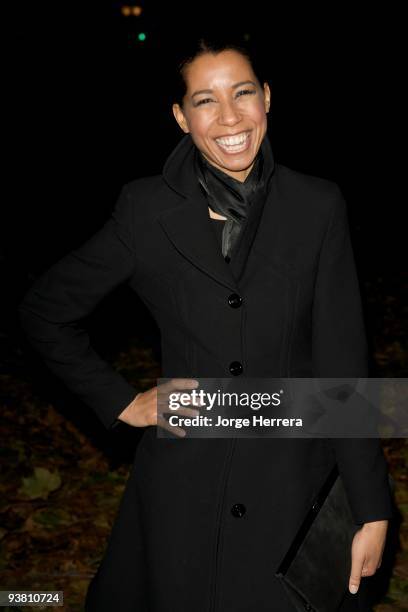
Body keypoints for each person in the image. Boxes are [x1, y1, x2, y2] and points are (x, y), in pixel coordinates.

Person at [18, 36, 394, 611]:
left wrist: (371, 506)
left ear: (267, 98)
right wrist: (124, 402)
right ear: (179, 116)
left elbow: (345, 363)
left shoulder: (318, 206)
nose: (229, 117)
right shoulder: (145, 210)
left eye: (243, 93)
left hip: (292, 479)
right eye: (204, 100)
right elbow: (45, 312)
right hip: (185, 484)